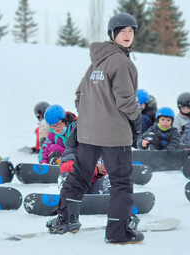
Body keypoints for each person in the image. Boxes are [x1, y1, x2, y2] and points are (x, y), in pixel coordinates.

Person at [46, 13, 144, 244]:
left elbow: (80, 96)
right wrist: (136, 122)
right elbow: (126, 100)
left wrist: (92, 117)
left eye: (131, 31)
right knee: (121, 182)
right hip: (113, 134)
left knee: (79, 175)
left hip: (88, 133)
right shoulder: (121, 62)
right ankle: (118, 233)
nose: (128, 35)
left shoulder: (96, 63)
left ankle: (65, 219)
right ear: (112, 34)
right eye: (122, 31)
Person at [58, 126, 110, 194]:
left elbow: (105, 171)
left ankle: (109, 199)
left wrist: (101, 172)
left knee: (112, 178)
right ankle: (68, 197)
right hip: (77, 187)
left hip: (94, 187)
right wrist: (96, 170)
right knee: (65, 176)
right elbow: (66, 168)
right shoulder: (71, 150)